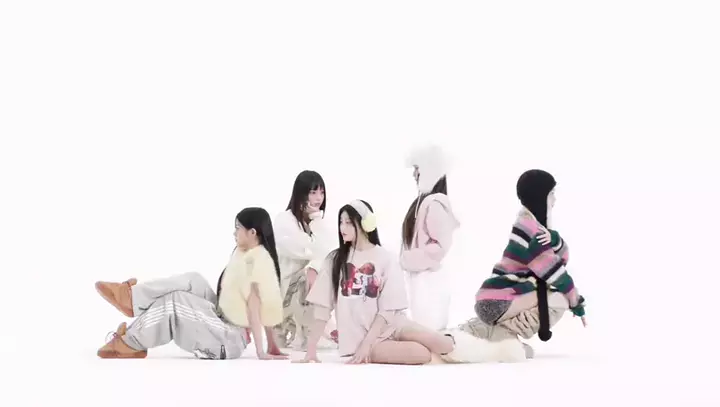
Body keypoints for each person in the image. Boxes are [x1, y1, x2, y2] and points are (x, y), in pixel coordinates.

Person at [296, 199, 524, 365]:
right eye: (341, 222)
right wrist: (311, 351)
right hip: (363, 342)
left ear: (364, 224)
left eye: (348, 222)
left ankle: (497, 351)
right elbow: (322, 309)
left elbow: (387, 310)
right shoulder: (335, 260)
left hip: (393, 324)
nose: (342, 228)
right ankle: (459, 356)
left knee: (442, 343)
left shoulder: (385, 258)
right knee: (421, 353)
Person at [94, 207, 288, 360]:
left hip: (229, 338)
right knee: (194, 280)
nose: (234, 232)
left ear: (252, 232)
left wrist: (261, 351)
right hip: (223, 318)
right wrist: (272, 346)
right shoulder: (246, 254)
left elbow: (256, 307)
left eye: (238, 228)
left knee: (175, 301)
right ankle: (131, 298)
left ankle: (130, 342)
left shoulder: (258, 264)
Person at [458, 169, 587, 358]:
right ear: (541, 196)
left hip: (492, 300)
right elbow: (556, 273)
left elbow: (561, 258)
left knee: (556, 292)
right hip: (499, 303)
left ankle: (491, 331)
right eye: (551, 194)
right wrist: (576, 303)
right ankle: (503, 335)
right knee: (561, 298)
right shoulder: (533, 230)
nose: (555, 199)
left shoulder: (527, 222)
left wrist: (554, 239)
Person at [273, 170, 337, 350]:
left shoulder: (317, 221)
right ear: (301, 193)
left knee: (324, 271)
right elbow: (305, 250)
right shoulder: (284, 220)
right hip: (284, 290)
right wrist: (314, 264)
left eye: (322, 192)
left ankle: (312, 329)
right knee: (309, 276)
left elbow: (329, 251)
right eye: (313, 192)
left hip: (304, 288)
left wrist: (314, 266)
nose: (319, 198)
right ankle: (308, 329)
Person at [400, 144, 460, 331]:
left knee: (428, 330)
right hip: (422, 279)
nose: (414, 174)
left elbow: (440, 247)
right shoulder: (424, 202)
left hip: (429, 281)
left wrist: (409, 258)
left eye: (417, 169)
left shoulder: (435, 204)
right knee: (422, 328)